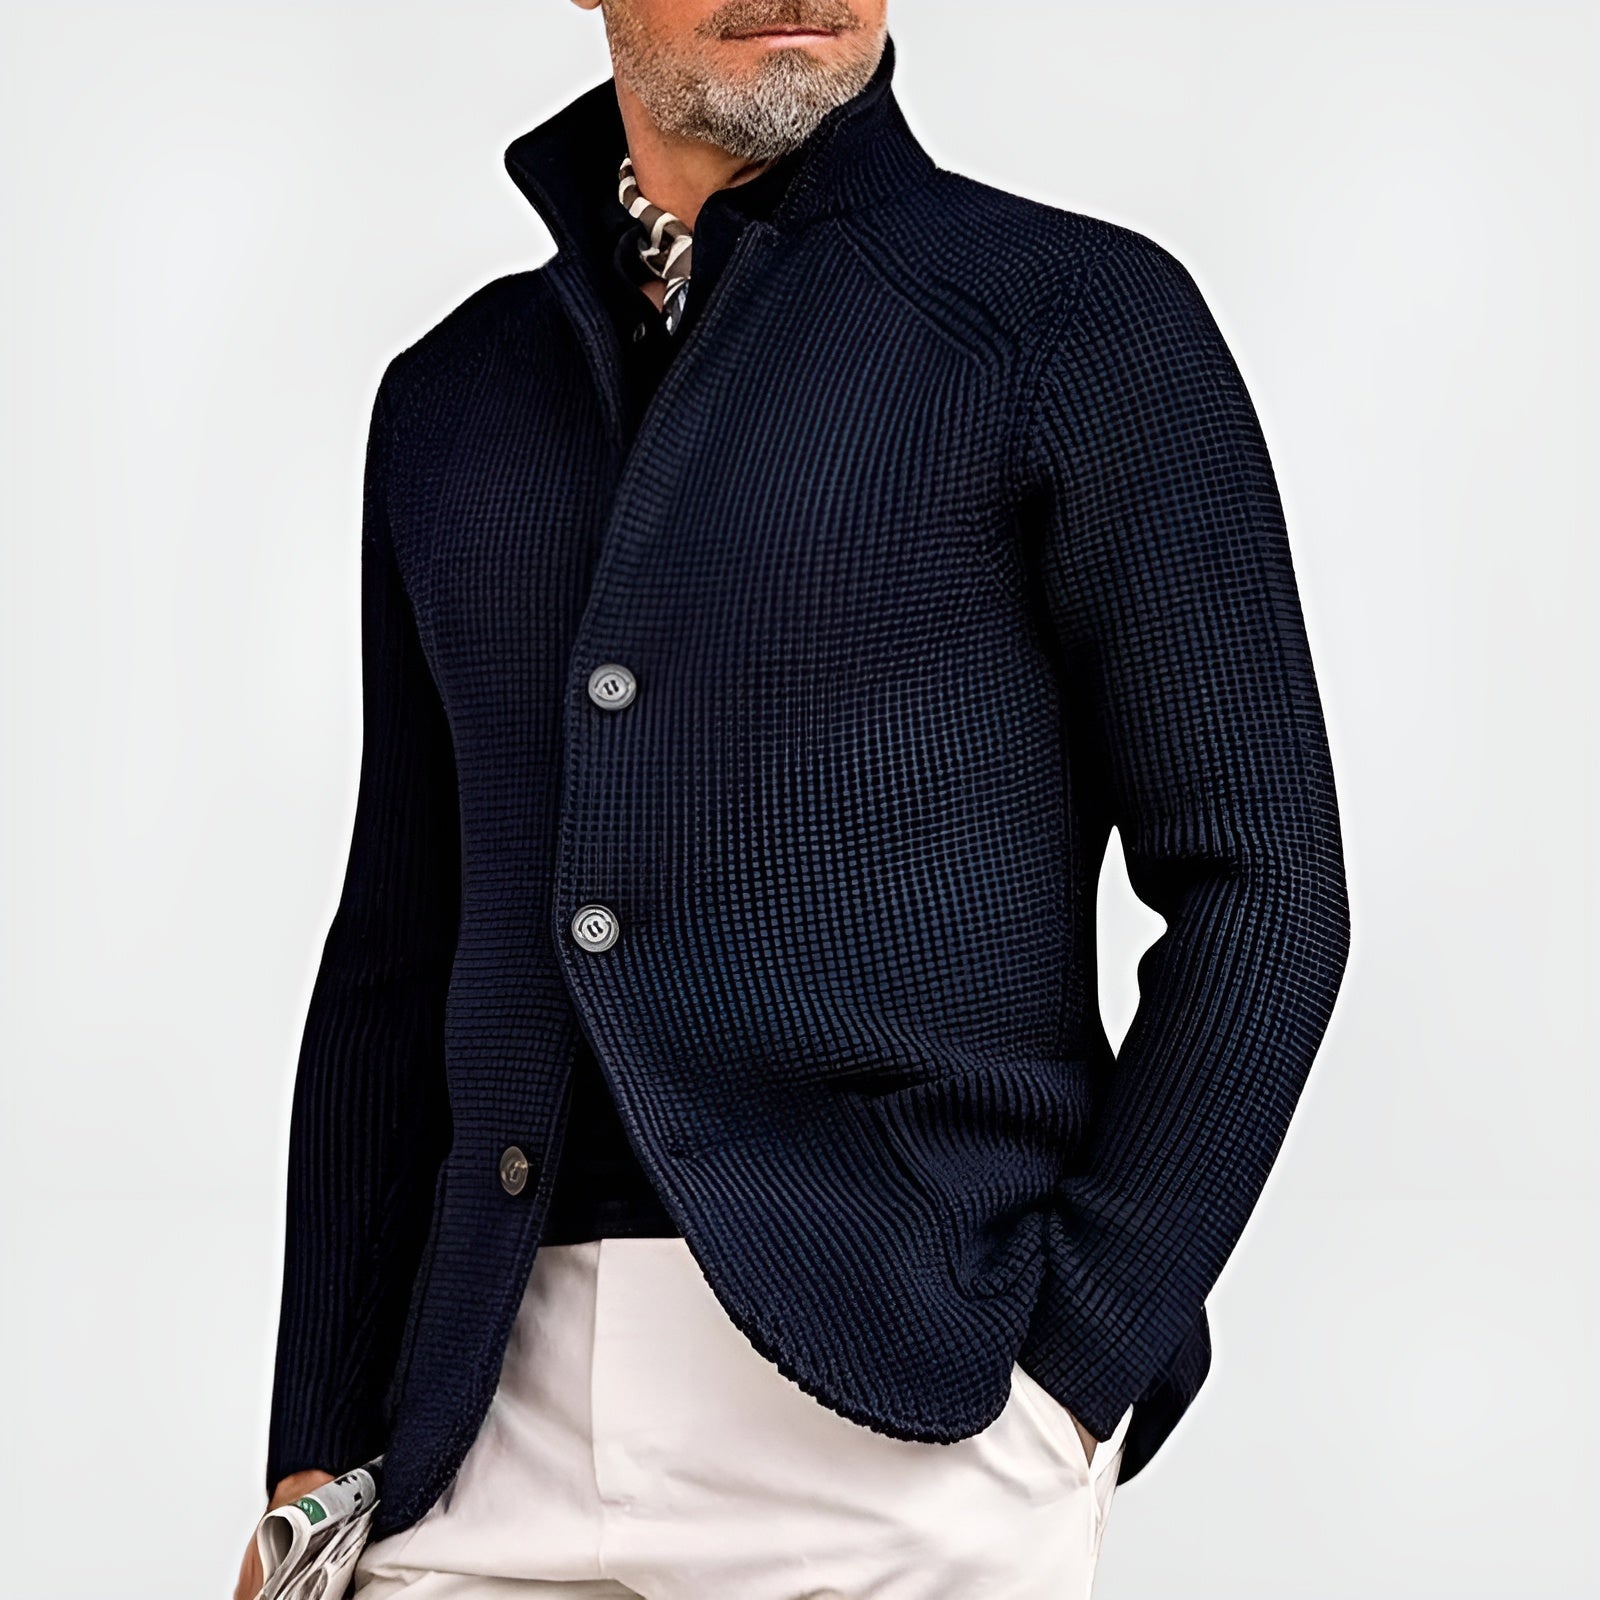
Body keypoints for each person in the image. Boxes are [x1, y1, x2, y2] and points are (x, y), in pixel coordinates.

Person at [235, 4, 1350, 1596]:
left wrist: (1072, 1375)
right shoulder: (454, 396)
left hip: (906, 1423)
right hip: (477, 1423)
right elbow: (398, 955)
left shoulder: (1071, 322)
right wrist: (314, 1453)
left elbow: (1261, 877)